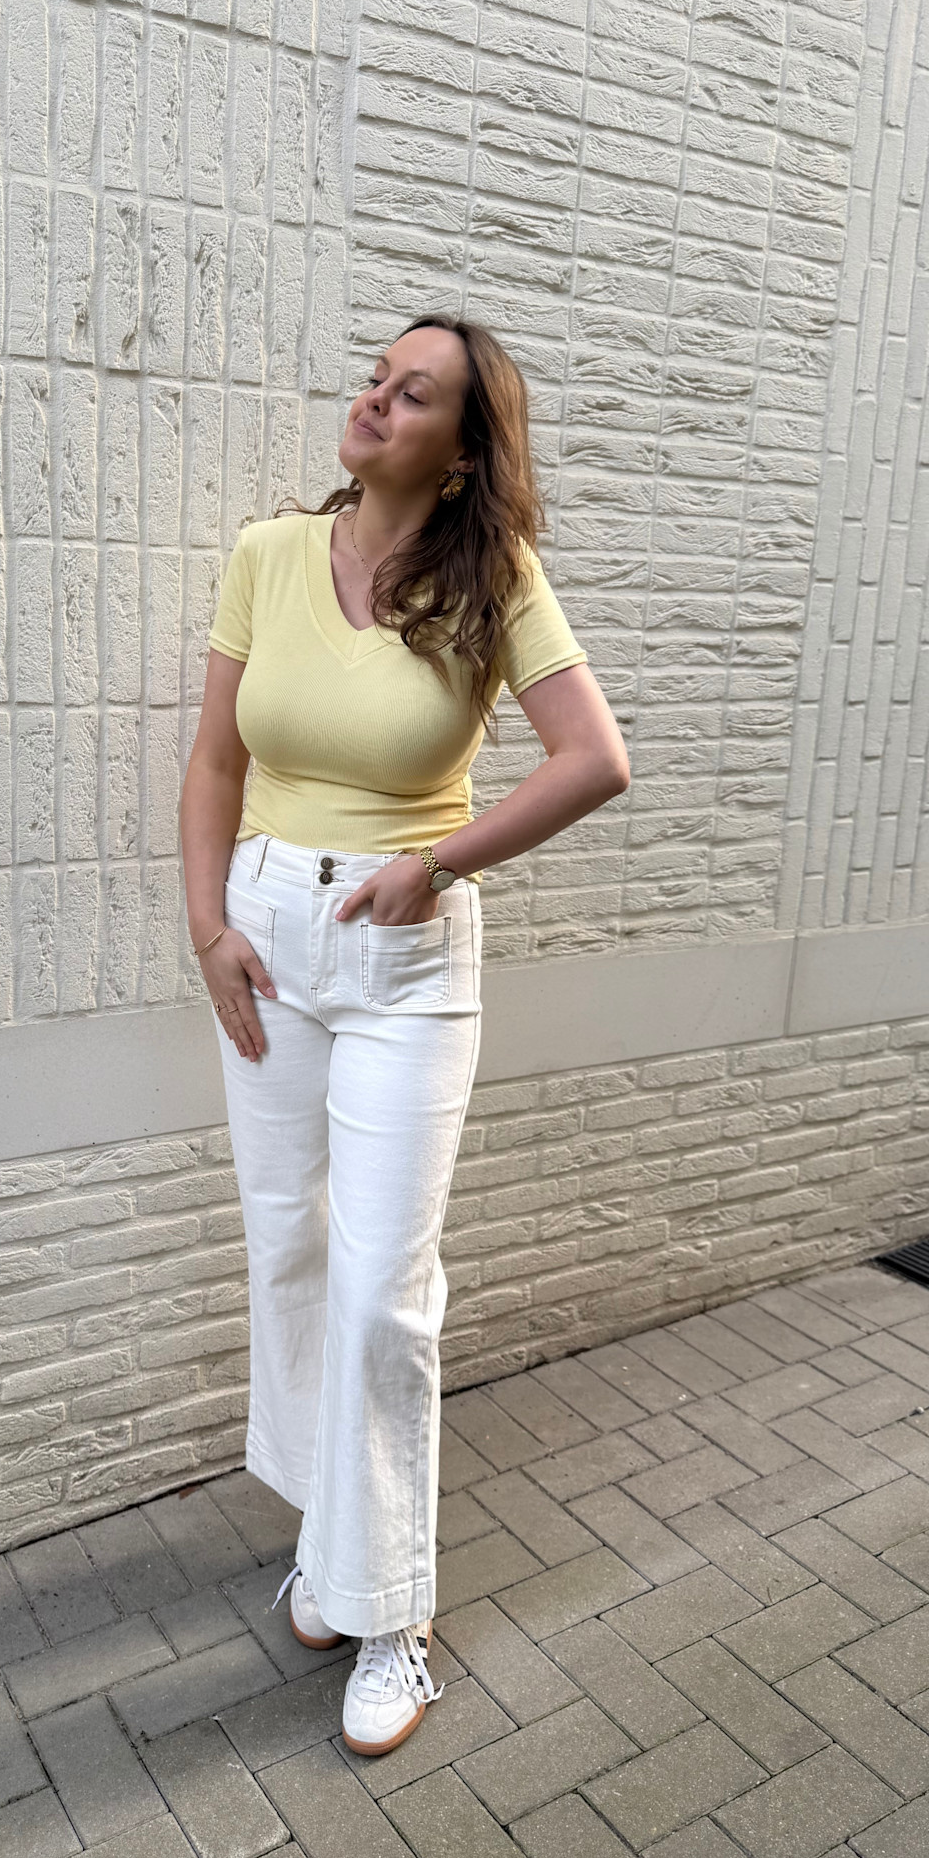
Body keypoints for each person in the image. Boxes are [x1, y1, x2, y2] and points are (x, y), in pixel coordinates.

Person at [178, 313, 631, 1754]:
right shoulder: (268, 555)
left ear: (462, 450)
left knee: (384, 1284)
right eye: (375, 376)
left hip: (403, 953)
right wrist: (208, 929)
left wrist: (438, 863)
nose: (372, 400)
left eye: (411, 393)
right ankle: (335, 1545)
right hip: (267, 934)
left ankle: (395, 1620)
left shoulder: (495, 578)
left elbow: (593, 760)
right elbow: (215, 759)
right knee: (289, 1248)